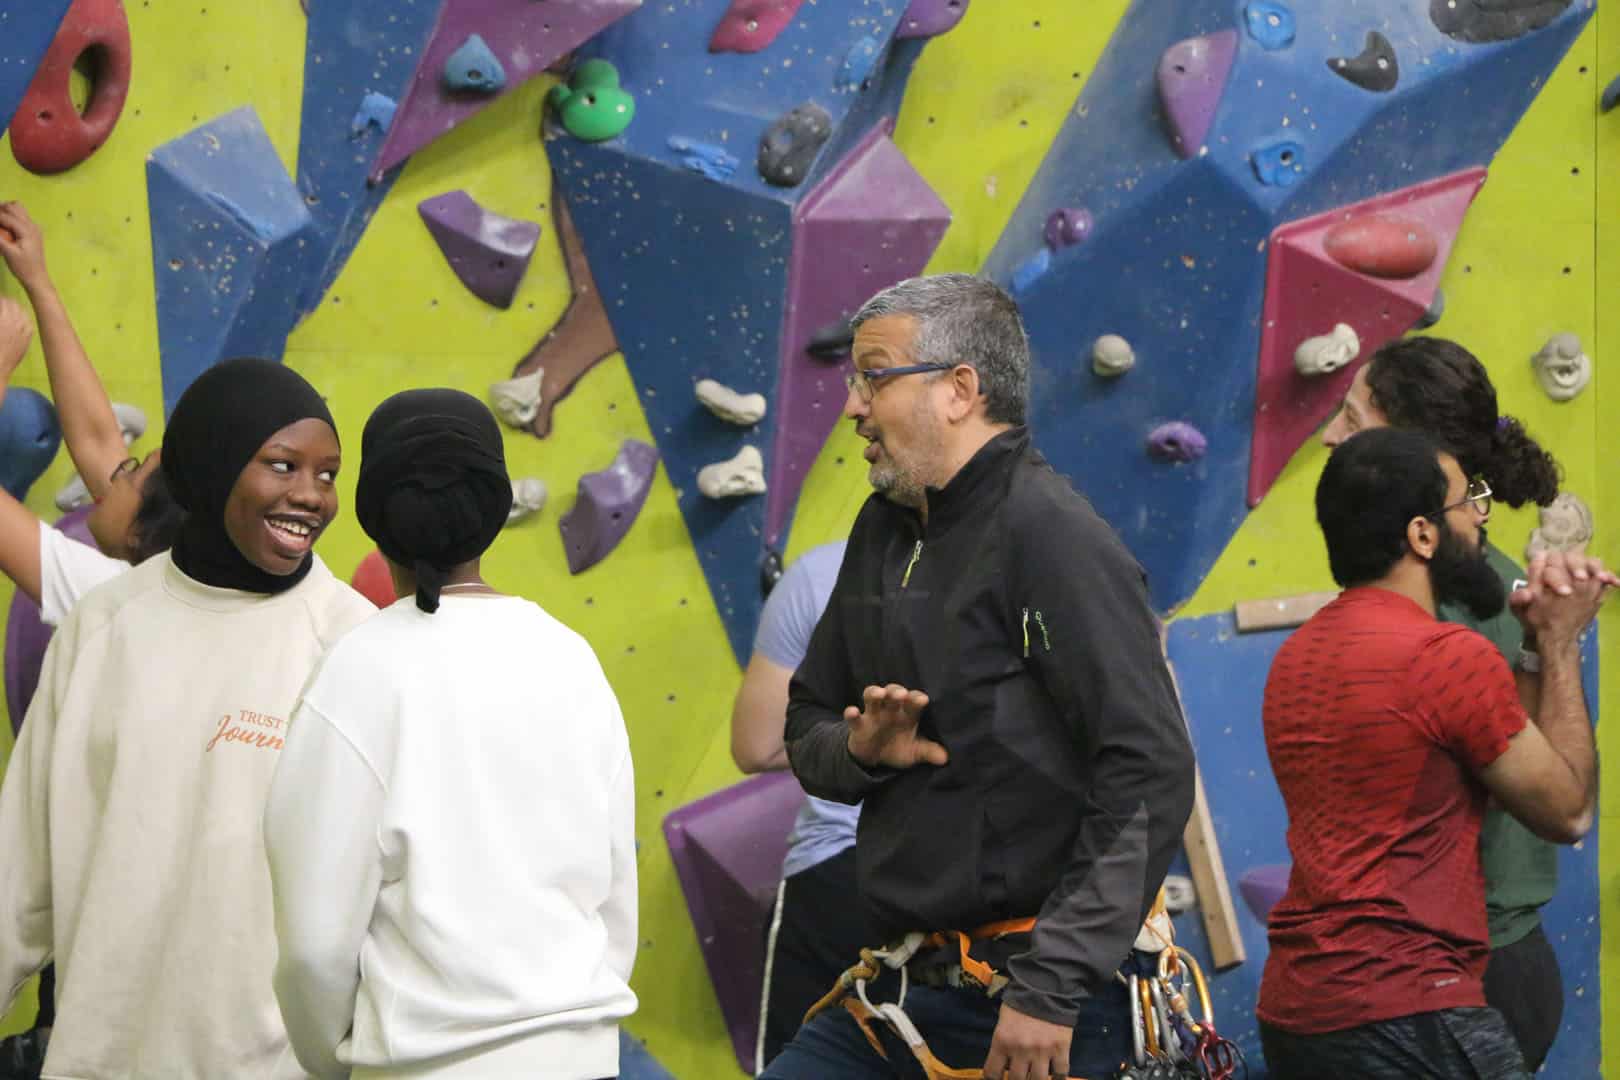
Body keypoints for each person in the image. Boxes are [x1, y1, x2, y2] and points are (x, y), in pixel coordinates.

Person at [768, 274, 1196, 1080]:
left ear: (960, 389)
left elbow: (1149, 767)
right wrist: (862, 750)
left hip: (1045, 1002)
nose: (854, 406)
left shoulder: (1051, 534)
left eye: (875, 376)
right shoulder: (882, 531)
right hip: (899, 993)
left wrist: (1052, 987)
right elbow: (806, 725)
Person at [0, 357, 376, 1077]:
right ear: (212, 463)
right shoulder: (105, 624)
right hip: (98, 1060)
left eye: (327, 474)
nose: (311, 497)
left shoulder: (351, 643)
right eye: (283, 465)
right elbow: (20, 873)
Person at [265, 388, 637, 1079]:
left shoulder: (357, 670)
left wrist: (333, 1059)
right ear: (493, 513)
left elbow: (315, 946)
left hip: (424, 1063)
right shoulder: (570, 658)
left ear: (376, 519)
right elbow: (614, 899)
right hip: (582, 1056)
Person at [1258, 428, 1611, 1079]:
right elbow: (1567, 813)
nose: (1480, 516)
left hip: (1297, 1015)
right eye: (1465, 503)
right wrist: (1562, 646)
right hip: (1409, 1011)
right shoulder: (1444, 657)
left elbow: (1498, 760)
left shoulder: (1296, 658)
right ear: (1422, 535)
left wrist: (1533, 647)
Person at [1321, 337, 1566, 1069]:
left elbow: (1545, 799)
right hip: (1457, 968)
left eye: (1353, 419)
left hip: (1468, 976)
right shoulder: (1449, 585)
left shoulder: (1458, 604)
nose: (1331, 435)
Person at [0, 201, 183, 621]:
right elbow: (98, 440)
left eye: (132, 472)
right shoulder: (159, 567)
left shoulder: (113, 599)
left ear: (139, 536)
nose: (114, 472)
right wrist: (37, 279)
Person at [729, 539, 870, 1074]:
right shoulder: (1039, 556)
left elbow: (757, 744)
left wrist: (864, 744)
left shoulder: (820, 573)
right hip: (989, 877)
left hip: (841, 870)